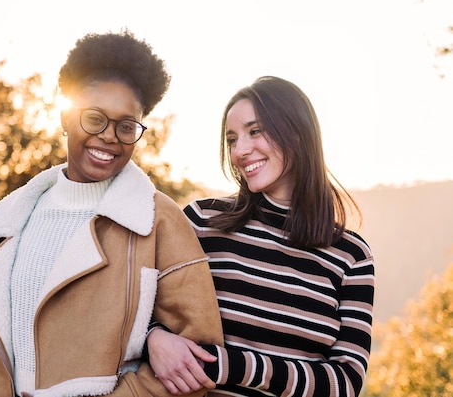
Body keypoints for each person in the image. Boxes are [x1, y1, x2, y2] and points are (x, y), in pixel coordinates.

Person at [0, 30, 223, 397]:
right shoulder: (10, 221)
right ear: (65, 118)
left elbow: (197, 355)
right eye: (94, 118)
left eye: (126, 126)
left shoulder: (158, 220)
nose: (109, 136)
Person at [146, 76, 375, 397]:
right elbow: (131, 307)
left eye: (255, 131)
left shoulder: (351, 256)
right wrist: (153, 339)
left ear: (297, 132)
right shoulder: (200, 223)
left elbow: (346, 383)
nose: (239, 150)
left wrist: (231, 367)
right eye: (231, 138)